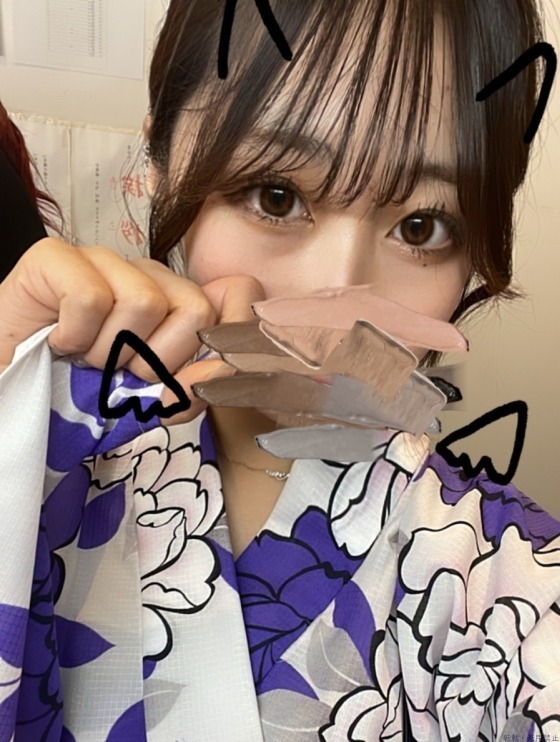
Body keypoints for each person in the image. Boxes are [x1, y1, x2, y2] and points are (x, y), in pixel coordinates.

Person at [0, 1, 559, 739]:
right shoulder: (45, 440)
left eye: (421, 227)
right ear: (161, 166)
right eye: (277, 196)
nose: (340, 297)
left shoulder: (503, 574)